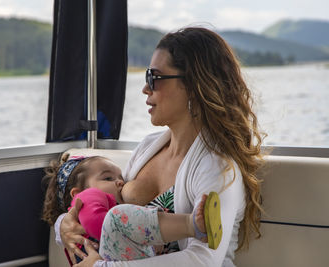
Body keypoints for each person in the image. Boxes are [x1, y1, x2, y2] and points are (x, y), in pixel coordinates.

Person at [58, 26, 265, 267]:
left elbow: (203, 260)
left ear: (193, 86)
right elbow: (105, 208)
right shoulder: (148, 148)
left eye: (153, 78)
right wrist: (64, 224)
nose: (145, 88)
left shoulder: (217, 166)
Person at [42, 153, 219, 264]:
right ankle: (192, 225)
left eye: (120, 177)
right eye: (108, 178)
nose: (121, 181)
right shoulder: (87, 199)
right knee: (118, 218)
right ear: (78, 194)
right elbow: (99, 224)